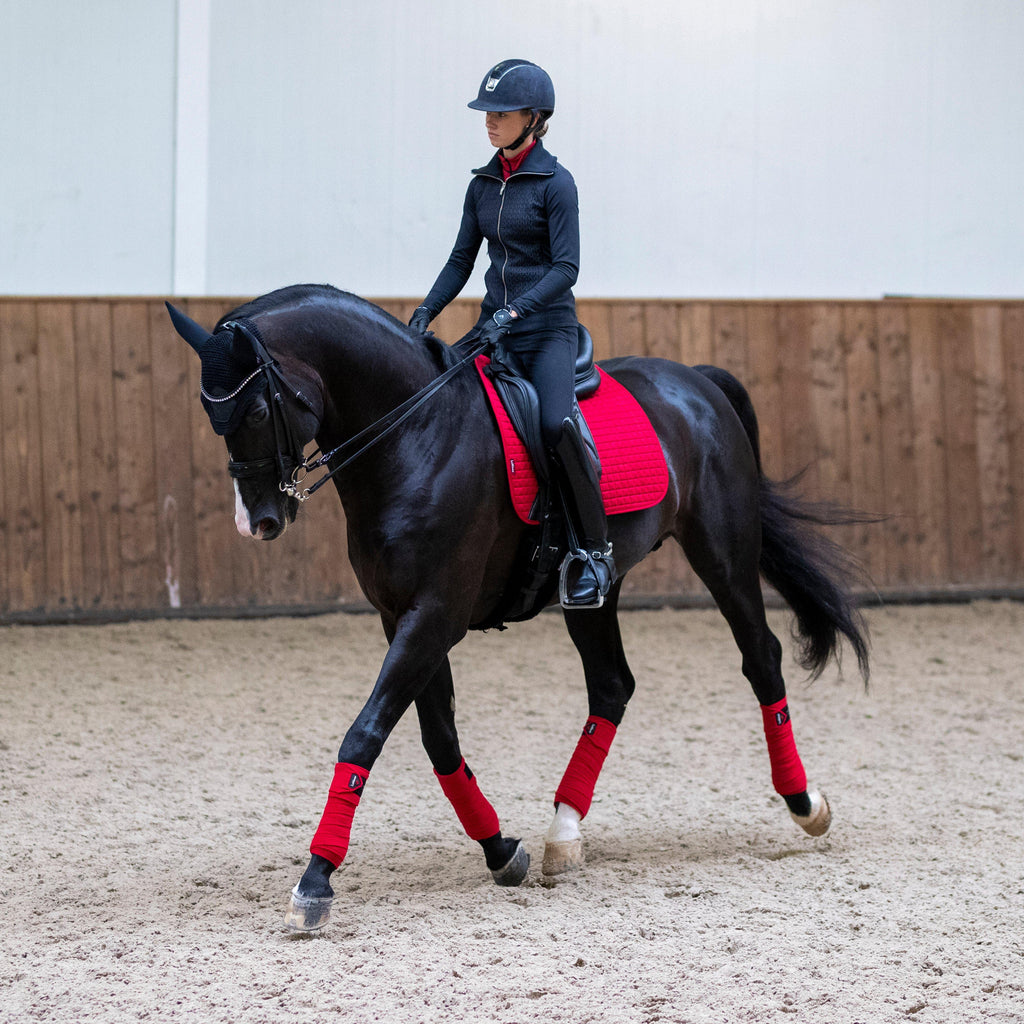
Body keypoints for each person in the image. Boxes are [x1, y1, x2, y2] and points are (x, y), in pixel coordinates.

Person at [409, 58, 614, 608]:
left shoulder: (556, 183)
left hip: (545, 331)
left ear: (534, 117)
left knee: (555, 424)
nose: (490, 121)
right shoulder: (481, 186)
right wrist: (425, 312)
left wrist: (517, 311)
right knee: (437, 401)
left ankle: (592, 553)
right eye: (487, 113)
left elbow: (566, 269)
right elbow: (460, 261)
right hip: (493, 328)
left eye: (501, 113)